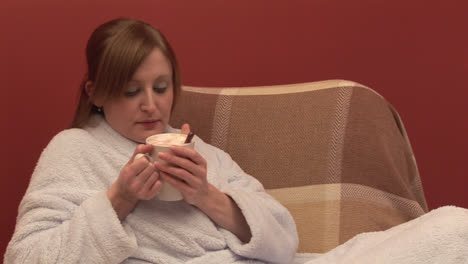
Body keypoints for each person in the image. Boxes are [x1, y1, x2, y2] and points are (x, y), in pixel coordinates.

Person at [4, 18, 298, 263]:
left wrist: (206, 196)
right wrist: (120, 198)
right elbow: (24, 257)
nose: (150, 104)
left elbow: (284, 238)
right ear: (96, 94)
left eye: (160, 87)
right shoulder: (73, 149)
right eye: (131, 91)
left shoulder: (203, 153)